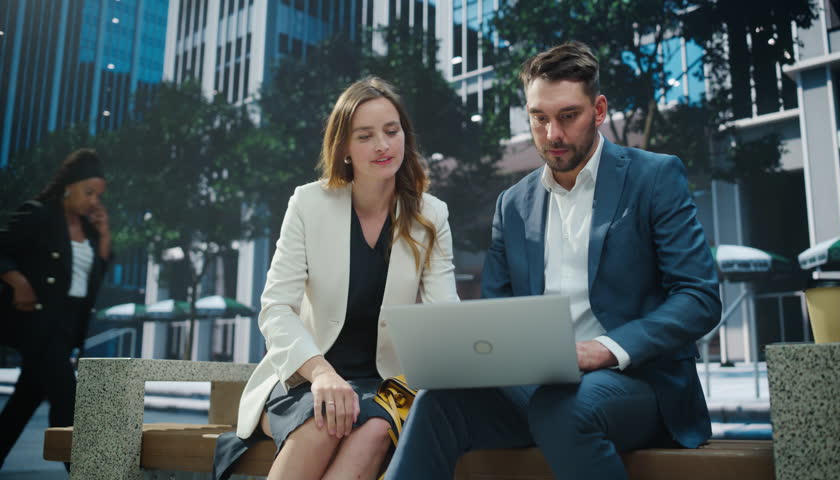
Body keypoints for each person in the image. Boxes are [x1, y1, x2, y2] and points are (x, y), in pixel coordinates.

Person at [384, 41, 721, 479]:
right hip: (540, 391)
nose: (552, 135)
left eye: (568, 116)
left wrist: (603, 351)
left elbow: (699, 297)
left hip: (641, 384)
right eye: (539, 118)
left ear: (598, 110)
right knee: (436, 405)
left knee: (563, 410)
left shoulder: (654, 177)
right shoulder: (513, 204)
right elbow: (496, 315)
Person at [212, 76, 459, 480]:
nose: (382, 145)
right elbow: (276, 309)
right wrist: (323, 374)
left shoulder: (431, 215)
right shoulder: (309, 203)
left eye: (391, 131)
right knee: (322, 422)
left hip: (384, 386)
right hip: (305, 379)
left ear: (405, 137)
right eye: (365, 136)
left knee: (377, 431)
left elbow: (445, 313)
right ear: (344, 147)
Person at [0, 148, 111, 470]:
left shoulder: (89, 230)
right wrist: (18, 281)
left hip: (66, 326)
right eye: (88, 192)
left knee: (23, 402)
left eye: (98, 195)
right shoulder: (38, 214)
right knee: (67, 400)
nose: (94, 201)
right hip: (38, 322)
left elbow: (94, 279)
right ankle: (85, 474)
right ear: (68, 186)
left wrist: (103, 235)